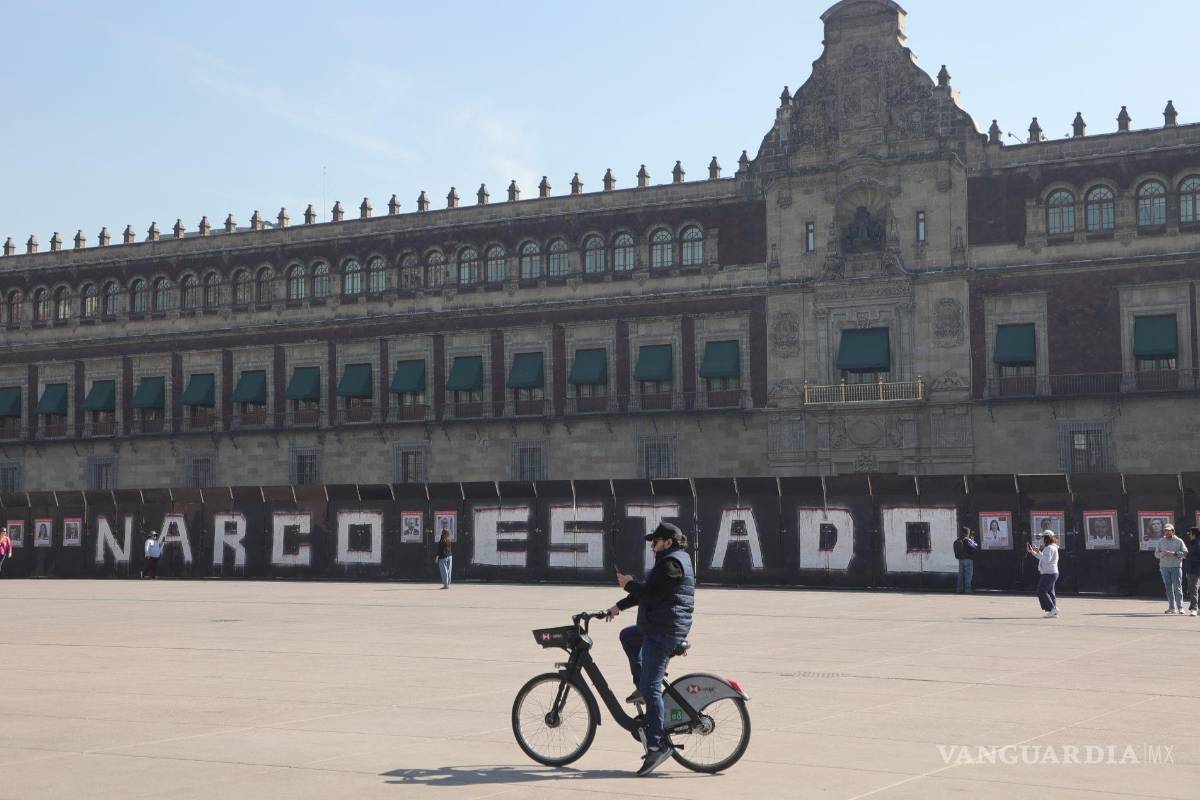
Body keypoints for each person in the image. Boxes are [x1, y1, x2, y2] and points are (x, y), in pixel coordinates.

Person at [605, 522, 695, 777]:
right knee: (628, 636)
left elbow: (648, 593)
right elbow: (648, 592)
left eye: (654, 542)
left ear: (667, 542)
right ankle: (642, 688)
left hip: (663, 631)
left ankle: (657, 744)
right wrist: (618, 607)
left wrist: (629, 584)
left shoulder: (671, 565)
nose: (652, 547)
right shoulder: (671, 562)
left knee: (652, 685)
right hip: (659, 626)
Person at [1154, 523, 1188, 614]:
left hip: (1176, 567)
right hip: (1164, 567)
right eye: (1165, 530)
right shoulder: (1161, 541)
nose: (1167, 532)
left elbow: (1185, 553)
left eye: (1169, 530)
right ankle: (1172, 608)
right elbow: (1156, 555)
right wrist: (1163, 553)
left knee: (1177, 587)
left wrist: (1174, 554)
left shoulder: (1179, 541)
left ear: (1173, 531)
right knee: (1168, 587)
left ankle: (1180, 608)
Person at [1026, 530, 1060, 618]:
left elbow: (1046, 559)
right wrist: (1033, 552)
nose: (1041, 539)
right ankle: (1054, 610)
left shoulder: (1050, 548)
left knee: (1041, 591)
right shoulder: (1050, 547)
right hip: (1051, 573)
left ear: (1047, 538)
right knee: (1050, 591)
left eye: (1042, 537)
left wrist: (1038, 551)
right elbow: (1042, 558)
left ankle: (1052, 609)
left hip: (1049, 573)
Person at [953, 527, 978, 593]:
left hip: (960, 560)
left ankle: (959, 589)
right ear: (967, 533)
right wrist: (973, 540)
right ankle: (968, 589)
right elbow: (975, 547)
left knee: (960, 575)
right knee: (968, 575)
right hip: (968, 559)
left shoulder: (957, 540)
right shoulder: (967, 540)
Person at [1184, 528, 1200, 616]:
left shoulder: (1197, 543)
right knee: (1196, 589)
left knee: (1193, 589)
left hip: (1195, 569)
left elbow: (1196, 557)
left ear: (1193, 534)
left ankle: (1194, 608)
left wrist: (1187, 556)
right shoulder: (1194, 543)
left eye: (1190, 533)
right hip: (1192, 569)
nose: (1189, 535)